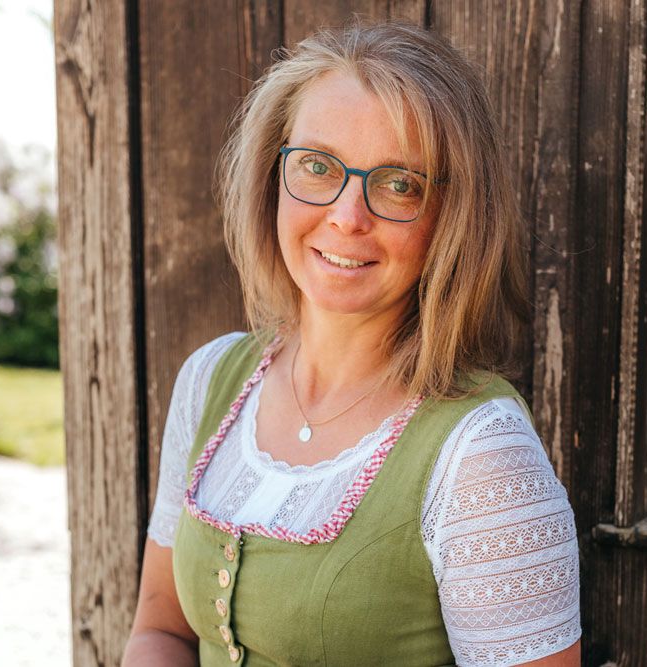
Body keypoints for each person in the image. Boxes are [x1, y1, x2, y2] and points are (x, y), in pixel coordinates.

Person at [124, 21, 581, 667]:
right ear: (271, 174)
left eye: (399, 183)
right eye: (317, 166)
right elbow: (162, 629)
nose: (346, 216)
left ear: (453, 216)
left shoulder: (481, 457)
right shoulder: (212, 378)